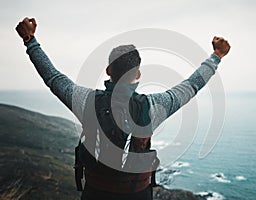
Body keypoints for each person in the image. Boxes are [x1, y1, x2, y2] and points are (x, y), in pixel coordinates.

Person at [15, 17, 230, 200]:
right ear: (137, 75)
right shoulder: (155, 106)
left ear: (108, 70)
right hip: (138, 194)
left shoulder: (86, 102)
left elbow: (52, 77)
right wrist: (216, 56)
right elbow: (191, 86)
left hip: (96, 192)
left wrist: (30, 40)